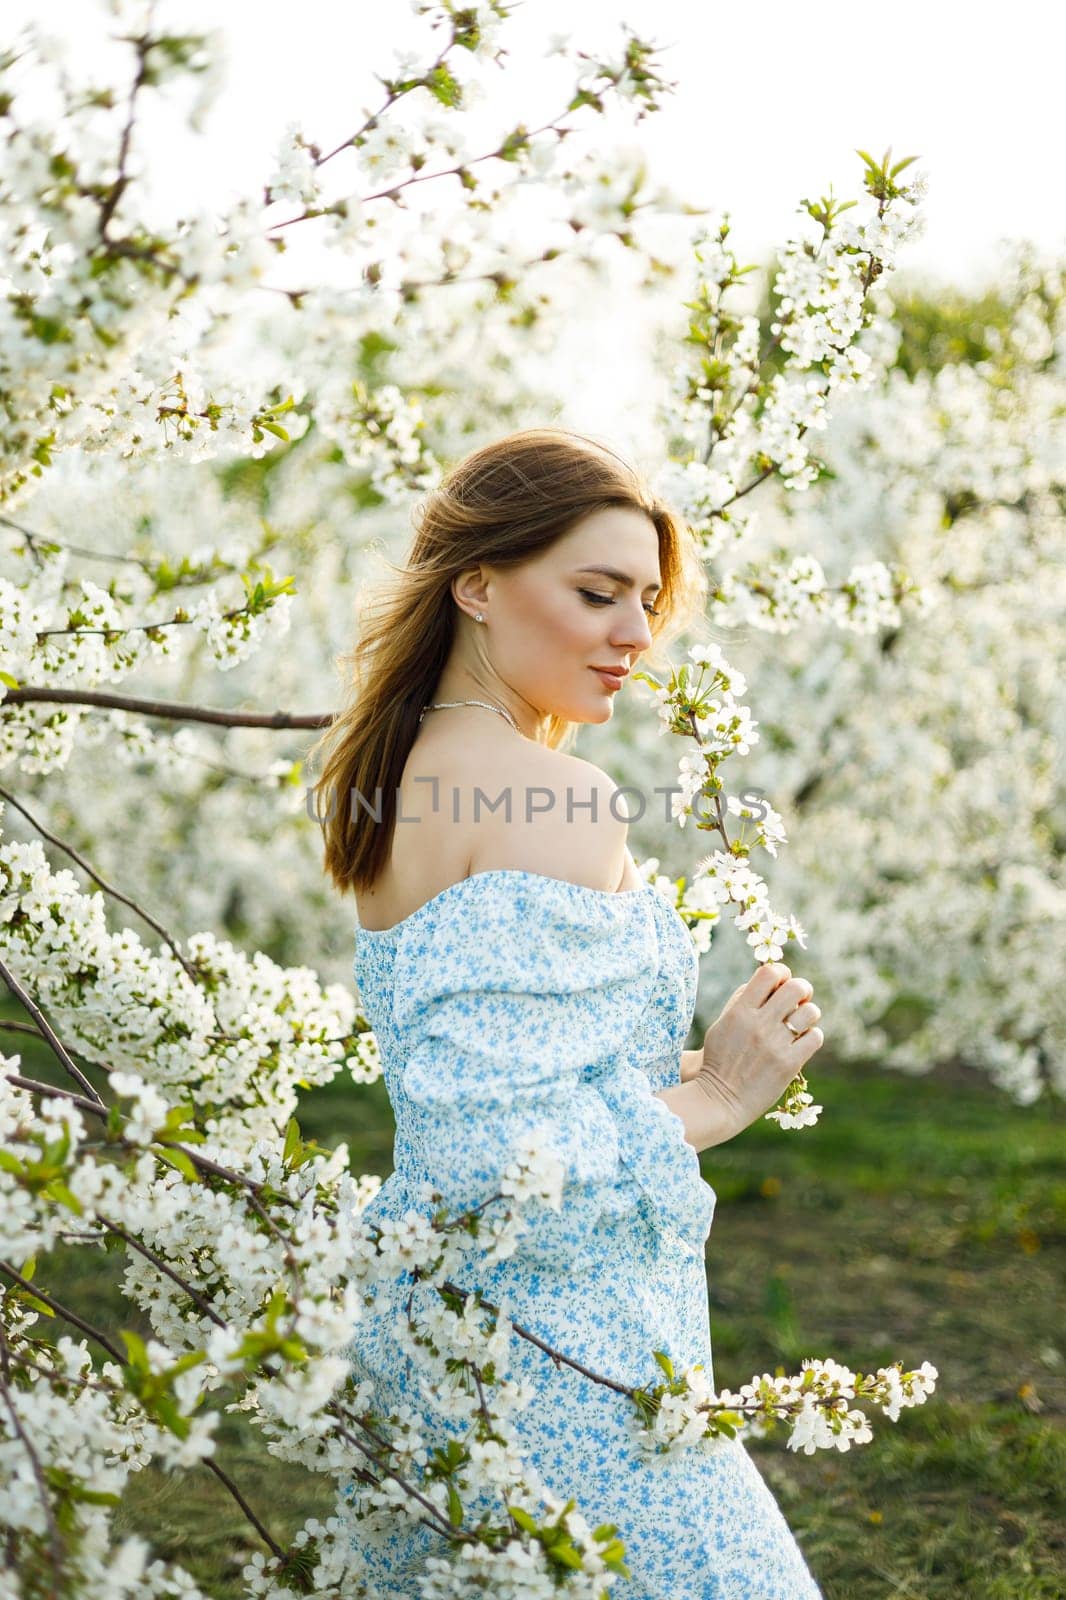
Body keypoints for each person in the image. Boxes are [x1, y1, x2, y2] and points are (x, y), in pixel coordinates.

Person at [307, 427, 826, 1597]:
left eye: (646, 599)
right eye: (596, 593)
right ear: (477, 585)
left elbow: (493, 1065)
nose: (635, 637)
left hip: (436, 1345)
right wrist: (716, 1095)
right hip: (561, 1354)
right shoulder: (559, 798)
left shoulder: (397, 775)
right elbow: (502, 1149)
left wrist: (672, 1061)